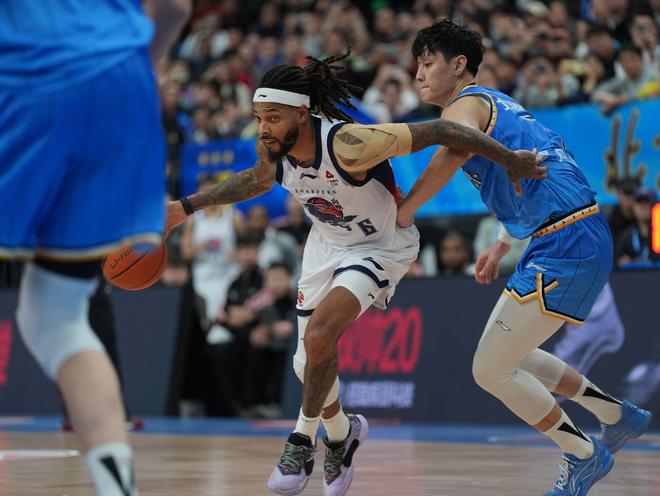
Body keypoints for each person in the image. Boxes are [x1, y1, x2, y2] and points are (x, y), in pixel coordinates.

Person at [166, 50, 543, 496]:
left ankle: (301, 440)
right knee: (306, 364)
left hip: (380, 245)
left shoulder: (350, 143)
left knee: (321, 334)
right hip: (326, 245)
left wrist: (511, 160)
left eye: (273, 117)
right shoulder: (272, 148)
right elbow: (257, 180)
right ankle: (343, 435)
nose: (263, 127)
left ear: (302, 114)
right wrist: (187, 207)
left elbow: (444, 131)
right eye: (259, 117)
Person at [396, 19, 652, 496]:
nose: (419, 74)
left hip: (567, 240)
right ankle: (617, 414)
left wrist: (404, 211)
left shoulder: (466, 105)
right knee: (514, 354)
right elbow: (536, 176)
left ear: (459, 65)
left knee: (490, 369)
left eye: (427, 63)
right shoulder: (500, 105)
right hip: (571, 233)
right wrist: (502, 243)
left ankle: (583, 453)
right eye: (417, 66)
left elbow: (451, 154)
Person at [0, 1, 190, 495]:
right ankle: (116, 488)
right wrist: (124, 75)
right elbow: (175, 8)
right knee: (55, 315)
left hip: (30, 79)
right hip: (126, 87)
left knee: (54, 316)